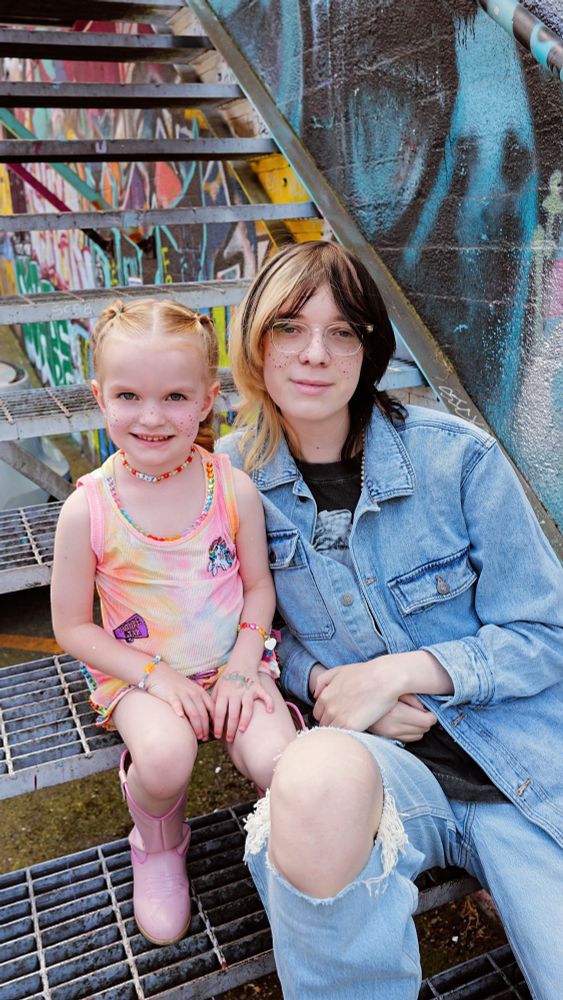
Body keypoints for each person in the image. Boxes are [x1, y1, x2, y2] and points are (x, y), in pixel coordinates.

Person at [217, 240, 563, 1000]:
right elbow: (240, 630)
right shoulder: (228, 480)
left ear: (369, 350)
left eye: (342, 332)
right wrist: (325, 684)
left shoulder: (456, 460)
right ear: (254, 340)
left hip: (526, 766)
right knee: (311, 779)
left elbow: (547, 634)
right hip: (385, 773)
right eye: (289, 328)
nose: (315, 353)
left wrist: (397, 674)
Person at [50, 298, 296, 947]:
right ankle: (158, 843)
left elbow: (257, 587)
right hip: (141, 675)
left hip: (233, 662)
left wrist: (243, 665)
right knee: (164, 757)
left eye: (176, 397)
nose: (152, 417)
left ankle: (288, 847)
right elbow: (73, 628)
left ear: (208, 399)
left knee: (279, 760)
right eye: (129, 396)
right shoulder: (88, 510)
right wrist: (156, 677)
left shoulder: (232, 489)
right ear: (100, 397)